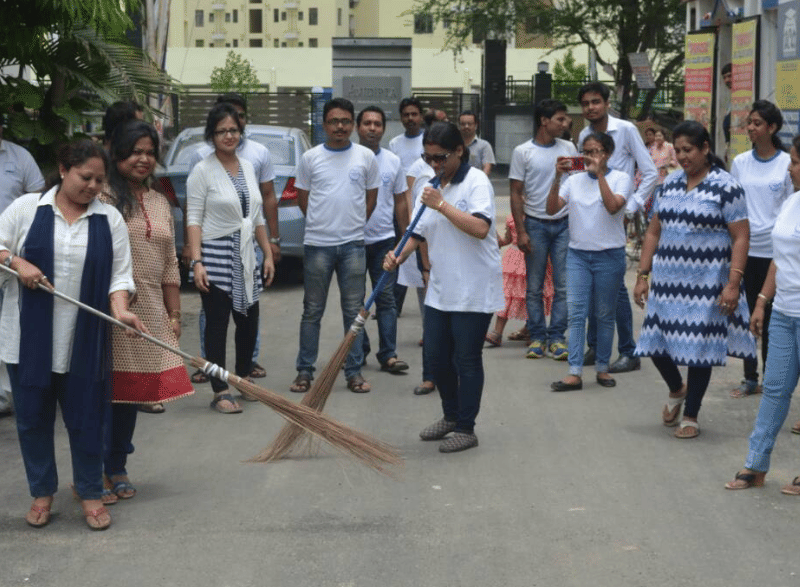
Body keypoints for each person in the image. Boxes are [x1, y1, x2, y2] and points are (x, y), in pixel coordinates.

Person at [0, 139, 143, 530]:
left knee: (87, 419)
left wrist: (120, 310)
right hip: (26, 342)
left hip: (85, 340)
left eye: (99, 180)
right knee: (32, 421)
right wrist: (16, 261)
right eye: (85, 177)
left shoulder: (109, 219)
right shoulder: (27, 208)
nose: (93, 186)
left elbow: (120, 276)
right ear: (63, 170)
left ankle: (90, 493)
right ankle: (42, 493)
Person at [383, 121, 503, 453]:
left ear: (459, 151)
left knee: (466, 358)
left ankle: (466, 428)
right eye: (428, 157)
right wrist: (397, 255)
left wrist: (442, 205)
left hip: (474, 287)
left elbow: (480, 228)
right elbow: (416, 232)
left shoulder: (476, 182)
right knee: (435, 357)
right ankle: (450, 416)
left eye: (441, 157)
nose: (434, 164)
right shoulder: (432, 186)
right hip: (441, 286)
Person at [633, 121, 756, 438]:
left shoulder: (726, 186)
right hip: (667, 283)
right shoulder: (670, 184)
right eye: (678, 150)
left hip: (708, 283)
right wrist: (643, 274)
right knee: (655, 344)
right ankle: (677, 388)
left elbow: (741, 237)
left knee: (699, 349)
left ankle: (691, 415)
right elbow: (654, 231)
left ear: (705, 148)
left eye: (688, 149)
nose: (683, 156)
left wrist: (733, 284)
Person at [101, 120, 194, 499]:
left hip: (151, 311)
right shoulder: (101, 195)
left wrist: (174, 315)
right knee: (102, 396)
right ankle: (92, 472)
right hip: (109, 311)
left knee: (131, 393)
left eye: (150, 152)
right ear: (118, 153)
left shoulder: (159, 201)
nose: (143, 159)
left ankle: (117, 465)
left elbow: (170, 263)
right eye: (135, 151)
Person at [186, 103, 274, 414]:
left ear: (241, 132)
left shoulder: (248, 167)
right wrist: (197, 262)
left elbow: (256, 217)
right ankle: (220, 389)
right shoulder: (202, 170)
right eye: (221, 131)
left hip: (246, 256)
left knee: (249, 322)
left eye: (233, 130)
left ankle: (244, 378)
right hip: (215, 256)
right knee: (217, 325)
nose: (228, 136)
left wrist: (267, 253)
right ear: (211, 135)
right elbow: (193, 219)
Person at [724, 135, 800, 491]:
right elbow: (778, 259)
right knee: (774, 390)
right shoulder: (792, 202)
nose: (790, 170)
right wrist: (761, 301)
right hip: (783, 312)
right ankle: (756, 465)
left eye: (795, 163)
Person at [290, 97, 379, 394]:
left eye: (345, 121)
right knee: (312, 310)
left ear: (352, 124)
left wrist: (354, 225)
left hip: (353, 245)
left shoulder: (365, 157)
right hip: (318, 245)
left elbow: (371, 197)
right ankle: (304, 371)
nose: (339, 126)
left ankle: (353, 372)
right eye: (333, 121)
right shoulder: (310, 158)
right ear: (324, 124)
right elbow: (303, 199)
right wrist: (322, 224)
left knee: (354, 313)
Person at [578, 82, 657, 374]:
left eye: (596, 102)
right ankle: (595, 346)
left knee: (615, 289)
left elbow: (649, 172)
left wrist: (631, 207)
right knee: (590, 284)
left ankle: (628, 351)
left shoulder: (625, 130)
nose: (591, 108)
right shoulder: (584, 135)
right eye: (586, 103)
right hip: (589, 218)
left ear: (607, 103)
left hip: (616, 214)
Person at [547, 132, 632, 391]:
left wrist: (600, 175)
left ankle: (602, 368)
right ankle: (574, 371)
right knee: (576, 313)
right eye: (586, 152)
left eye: (595, 151)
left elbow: (613, 206)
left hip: (610, 255)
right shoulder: (573, 181)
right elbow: (551, 209)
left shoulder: (621, 178)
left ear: (607, 153)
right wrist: (557, 177)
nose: (590, 157)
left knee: (604, 314)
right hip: (578, 255)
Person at [728, 101, 793, 398]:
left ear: (772, 127)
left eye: (757, 123)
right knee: (745, 315)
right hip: (745, 250)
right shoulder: (741, 162)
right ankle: (749, 376)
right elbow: (733, 206)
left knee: (768, 317)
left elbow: (791, 207)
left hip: (775, 255)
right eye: (749, 123)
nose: (751, 128)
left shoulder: (786, 163)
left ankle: (770, 377)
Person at [509, 99, 576, 361]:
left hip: (564, 224)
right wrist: (521, 231)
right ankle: (537, 337)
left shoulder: (569, 148)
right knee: (534, 286)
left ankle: (557, 338)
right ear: (544, 121)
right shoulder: (522, 152)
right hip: (535, 224)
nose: (565, 123)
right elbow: (515, 193)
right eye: (560, 118)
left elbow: (578, 183)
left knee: (563, 286)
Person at [356, 105, 410, 373]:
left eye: (377, 124)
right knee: (354, 302)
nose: (372, 128)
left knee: (386, 299)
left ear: (384, 129)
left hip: (384, 241)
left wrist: (405, 240)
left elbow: (400, 201)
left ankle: (388, 354)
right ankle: (359, 350)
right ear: (358, 127)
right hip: (353, 242)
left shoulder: (393, 161)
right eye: (367, 123)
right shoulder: (350, 158)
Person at [0, 122, 45, 417]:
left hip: (10, 257)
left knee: (7, 325)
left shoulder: (20, 157)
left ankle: (4, 394)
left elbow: (40, 202)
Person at [484, 215, 534, 347]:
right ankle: (497, 332)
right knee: (507, 296)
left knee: (531, 296)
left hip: (533, 259)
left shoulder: (537, 216)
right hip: (513, 262)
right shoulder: (512, 218)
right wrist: (496, 239)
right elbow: (508, 239)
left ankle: (532, 330)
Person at [389, 97, 425, 173]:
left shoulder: (429, 141)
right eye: (406, 115)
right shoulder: (394, 143)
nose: (410, 118)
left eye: (414, 114)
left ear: (421, 117)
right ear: (401, 118)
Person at [458, 110, 495, 175]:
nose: (466, 126)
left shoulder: (484, 146)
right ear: (459, 126)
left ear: (476, 125)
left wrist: (479, 180)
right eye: (463, 124)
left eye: (469, 124)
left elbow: (487, 169)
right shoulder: (453, 144)